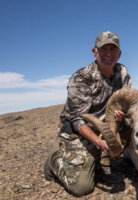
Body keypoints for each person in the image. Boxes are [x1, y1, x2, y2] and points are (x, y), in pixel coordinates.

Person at [43, 31, 131, 196]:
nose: (108, 54)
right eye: (103, 49)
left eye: (113, 49)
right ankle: (54, 158)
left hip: (105, 126)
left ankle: (97, 162)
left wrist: (123, 112)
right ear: (94, 52)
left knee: (134, 125)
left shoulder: (122, 72)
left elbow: (127, 100)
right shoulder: (81, 78)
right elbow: (77, 120)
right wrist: (100, 142)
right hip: (78, 132)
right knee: (82, 187)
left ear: (119, 54)